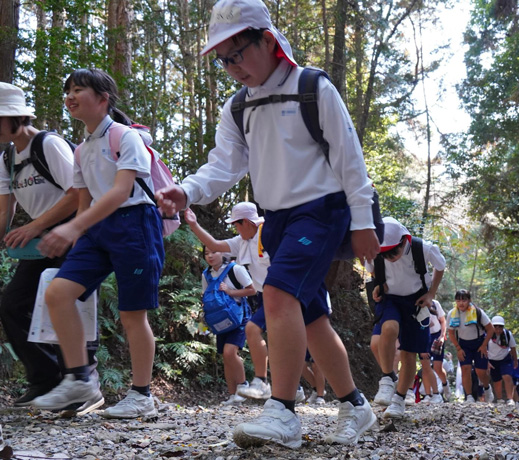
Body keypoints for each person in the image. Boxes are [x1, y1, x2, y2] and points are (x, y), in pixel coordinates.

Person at [155, 0, 379, 448]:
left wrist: (361, 220)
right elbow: (225, 164)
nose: (232, 67)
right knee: (311, 317)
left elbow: (349, 158)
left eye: (238, 53)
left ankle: (283, 412)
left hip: (323, 210)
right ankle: (356, 405)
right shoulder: (238, 107)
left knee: (275, 293)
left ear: (268, 40)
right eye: (223, 60)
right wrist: (187, 191)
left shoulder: (313, 87)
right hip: (275, 220)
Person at [32, 69, 165, 419]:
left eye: (78, 89)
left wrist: (74, 227)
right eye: (68, 91)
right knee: (58, 293)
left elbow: (122, 191)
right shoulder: (81, 149)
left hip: (134, 223)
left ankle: (142, 395)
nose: (70, 96)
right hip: (96, 229)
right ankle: (79, 379)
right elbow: (84, 198)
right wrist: (77, 231)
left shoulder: (125, 137)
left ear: (103, 99)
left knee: (132, 314)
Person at [0, 82, 101, 414]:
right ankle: (47, 380)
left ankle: (83, 379)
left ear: (16, 117)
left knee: (66, 302)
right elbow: (6, 210)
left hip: (73, 232)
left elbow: (76, 193)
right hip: (42, 239)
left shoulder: (49, 144)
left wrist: (35, 225)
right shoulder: (7, 156)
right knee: (13, 303)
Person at [185, 204, 273, 400]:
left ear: (248, 223)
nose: (236, 229)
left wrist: (233, 292)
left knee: (256, 332)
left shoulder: (268, 235)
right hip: (263, 296)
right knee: (257, 336)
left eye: (237, 224)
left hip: (278, 292)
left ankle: (264, 383)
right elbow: (215, 244)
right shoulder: (240, 241)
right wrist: (194, 225)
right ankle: (263, 386)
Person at [365, 217, 446, 418]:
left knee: (410, 353)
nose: (391, 257)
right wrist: (378, 283)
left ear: (405, 241)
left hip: (416, 302)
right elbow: (371, 267)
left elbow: (440, 266)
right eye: (385, 254)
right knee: (389, 329)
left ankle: (399, 399)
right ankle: (386, 378)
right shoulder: (376, 251)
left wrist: (431, 294)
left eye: (394, 252)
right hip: (390, 298)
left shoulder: (422, 248)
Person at [200, 246, 256, 405]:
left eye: (213, 252)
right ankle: (233, 396)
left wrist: (230, 292)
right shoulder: (206, 274)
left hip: (239, 317)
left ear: (223, 253)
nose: (210, 256)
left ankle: (243, 386)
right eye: (206, 253)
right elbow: (205, 296)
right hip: (220, 319)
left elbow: (252, 290)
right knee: (225, 356)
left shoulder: (236, 269)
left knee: (230, 351)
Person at [446, 289, 495, 403]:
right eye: (458, 300)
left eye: (464, 300)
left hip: (479, 343)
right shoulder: (452, 314)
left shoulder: (478, 312)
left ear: (469, 300)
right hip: (463, 344)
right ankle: (469, 396)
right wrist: (458, 348)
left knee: (480, 371)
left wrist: (484, 345)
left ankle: (487, 389)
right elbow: (451, 333)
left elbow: (490, 329)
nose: (461, 303)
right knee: (465, 369)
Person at [486, 315, 518, 405]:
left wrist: (515, 360)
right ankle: (499, 398)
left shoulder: (507, 334)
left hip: (505, 358)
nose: (498, 329)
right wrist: (486, 362)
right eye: (495, 327)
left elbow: (513, 348)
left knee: (507, 376)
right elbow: (483, 349)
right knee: (497, 380)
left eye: (500, 327)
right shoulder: (487, 335)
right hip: (492, 360)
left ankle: (510, 398)